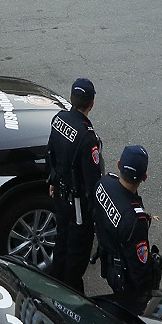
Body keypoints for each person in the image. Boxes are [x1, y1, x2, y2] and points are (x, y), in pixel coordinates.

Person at [46, 78, 103, 293]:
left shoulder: (59, 119)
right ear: (92, 104)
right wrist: (96, 218)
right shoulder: (88, 138)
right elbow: (92, 183)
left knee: (61, 242)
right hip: (77, 206)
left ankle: (55, 285)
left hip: (60, 194)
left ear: (70, 98)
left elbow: (50, 153)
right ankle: (72, 298)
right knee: (76, 256)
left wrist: (52, 180)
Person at [91, 145, 162, 302]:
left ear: (119, 165)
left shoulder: (104, 183)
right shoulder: (136, 220)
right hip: (124, 278)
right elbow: (139, 268)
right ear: (145, 177)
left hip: (107, 260)